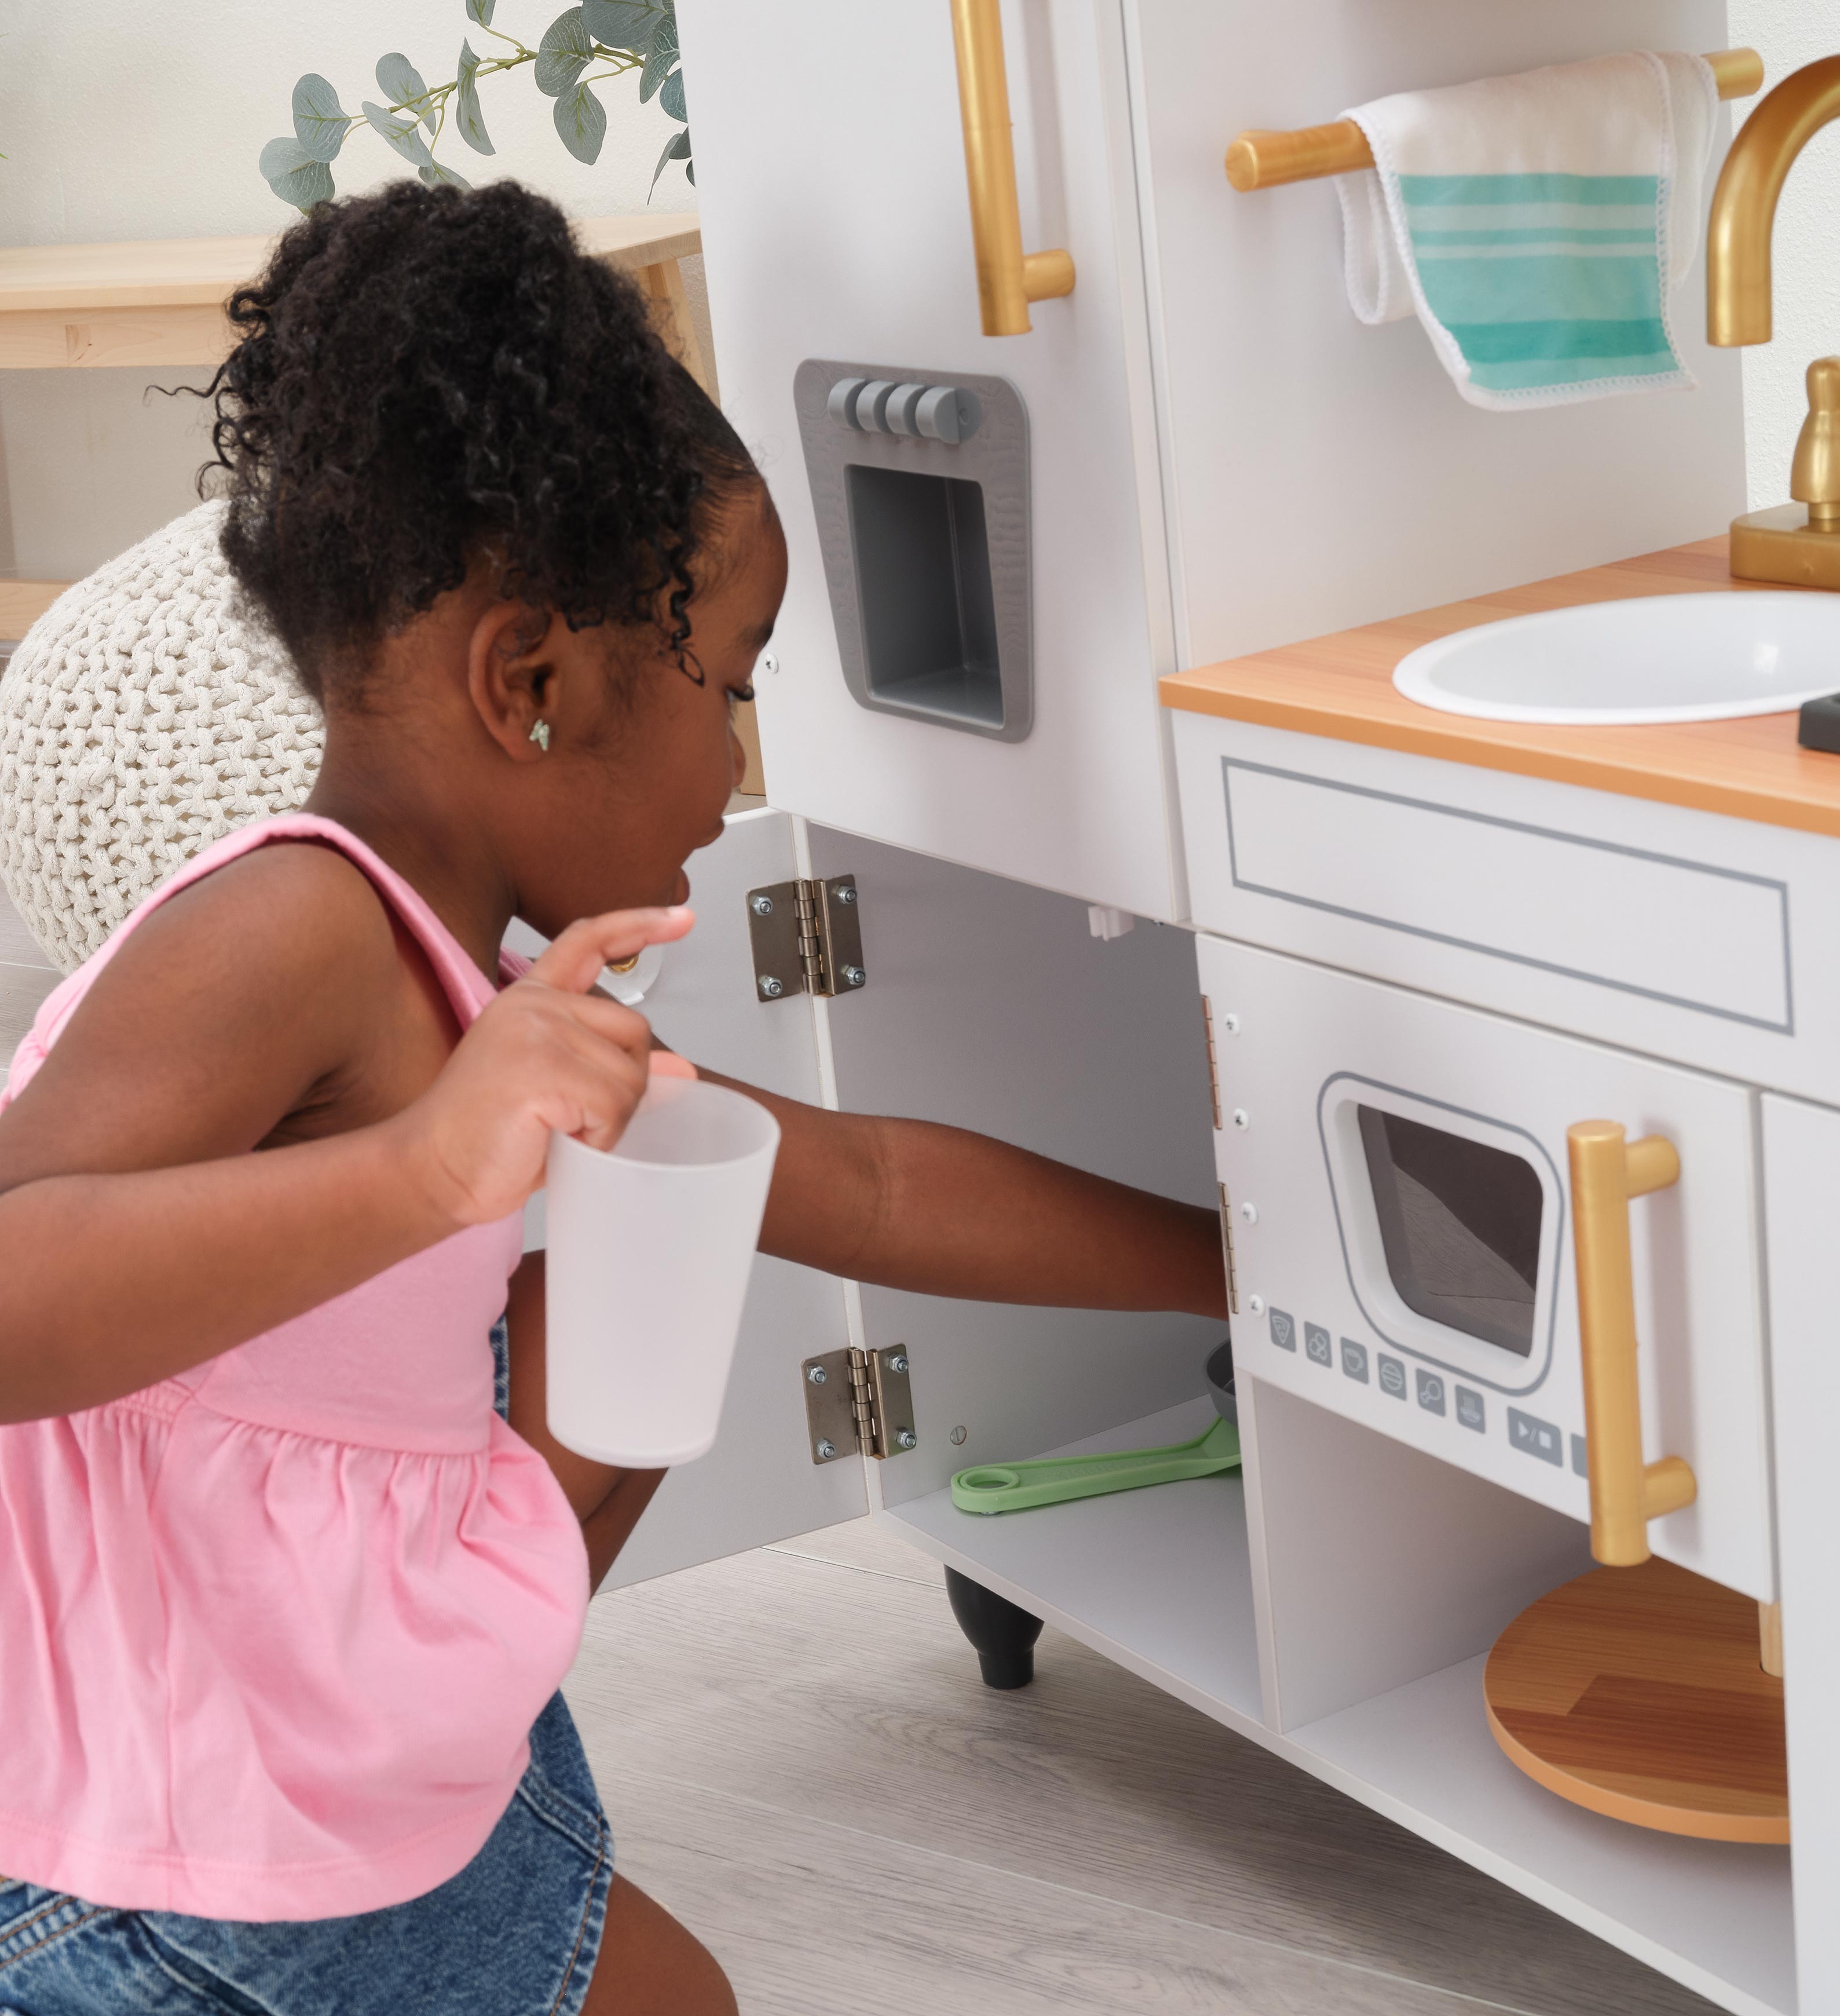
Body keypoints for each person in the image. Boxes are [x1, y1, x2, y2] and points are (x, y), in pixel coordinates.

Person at [0, 182, 1225, 2015]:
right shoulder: (290, 931)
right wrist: (426, 1169)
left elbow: (866, 1186)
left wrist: (1248, 1276)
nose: (734, 761)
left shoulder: (479, 986)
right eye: (728, 686)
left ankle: (452, 1746)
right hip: (174, 1843)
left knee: (659, 1231)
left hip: (304, 1723)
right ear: (534, 683)